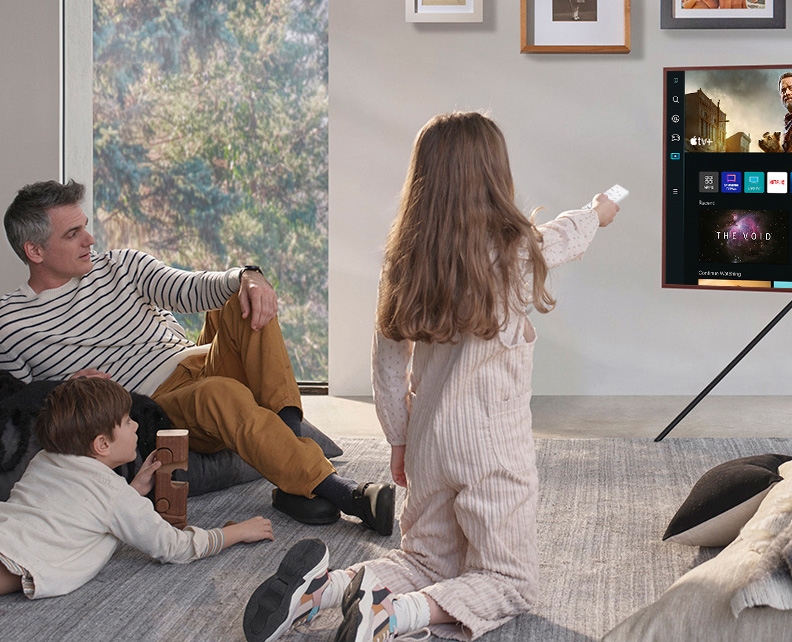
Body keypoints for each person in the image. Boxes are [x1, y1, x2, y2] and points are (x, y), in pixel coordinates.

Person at [242, 112, 621, 642]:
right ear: (493, 176)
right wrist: (599, 211)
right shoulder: (513, 250)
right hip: (492, 449)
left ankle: (323, 590)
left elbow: (387, 367)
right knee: (510, 582)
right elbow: (565, 235)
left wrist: (399, 441)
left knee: (425, 560)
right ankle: (392, 617)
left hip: (427, 442)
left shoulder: (402, 264)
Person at [0, 180, 394, 533]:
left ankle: (292, 455)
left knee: (239, 299)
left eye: (85, 226)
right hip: (159, 401)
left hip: (199, 357)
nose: (89, 239)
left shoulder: (121, 265)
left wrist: (249, 276)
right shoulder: (10, 322)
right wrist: (63, 388)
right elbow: (17, 402)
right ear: (34, 249)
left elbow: (195, 288)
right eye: (73, 233)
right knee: (222, 394)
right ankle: (347, 495)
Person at [0, 377, 273, 599]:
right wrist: (234, 532)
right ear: (102, 444)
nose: (137, 425)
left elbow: (77, 509)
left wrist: (134, 490)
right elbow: (173, 546)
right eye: (128, 421)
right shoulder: (112, 494)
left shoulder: (44, 460)